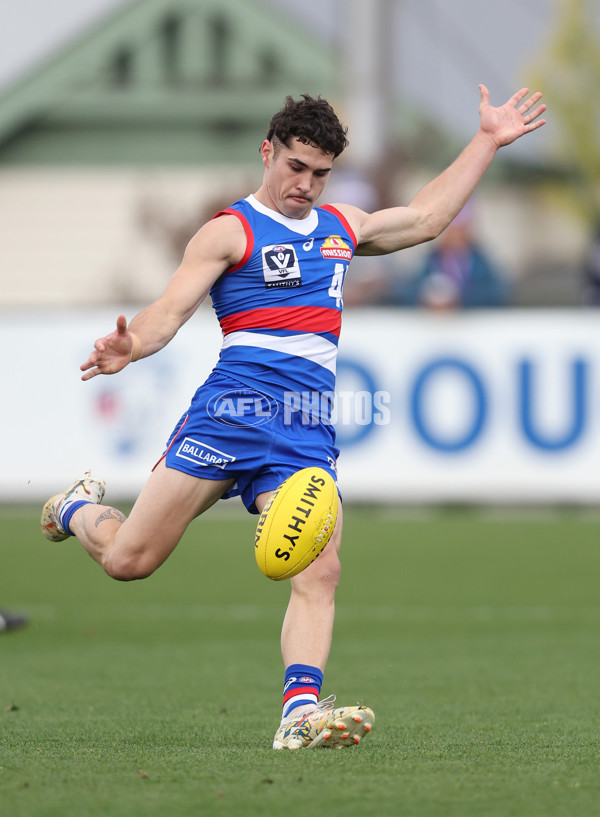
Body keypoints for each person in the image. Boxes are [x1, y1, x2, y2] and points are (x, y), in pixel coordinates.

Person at [41, 85, 546, 750]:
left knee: (323, 566)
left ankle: (299, 711)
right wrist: (130, 344)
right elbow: (168, 313)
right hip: (229, 416)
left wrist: (485, 140)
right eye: (295, 167)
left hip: (304, 427)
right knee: (130, 560)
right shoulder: (230, 231)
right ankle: (77, 506)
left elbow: (425, 219)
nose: (305, 185)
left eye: (320, 173)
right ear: (267, 153)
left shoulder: (342, 228)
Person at [402, 200, 510, 309]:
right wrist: (428, 298)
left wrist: (460, 300)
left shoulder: (481, 263)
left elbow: (497, 294)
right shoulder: (430, 260)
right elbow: (408, 292)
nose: (456, 236)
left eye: (460, 230)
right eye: (452, 230)